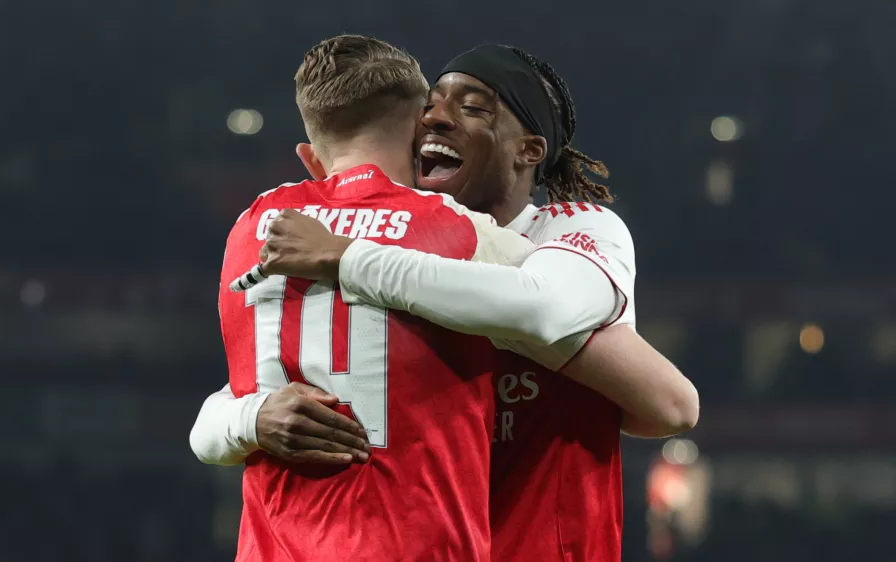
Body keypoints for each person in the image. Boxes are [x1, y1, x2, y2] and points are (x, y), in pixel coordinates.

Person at [204, 44, 699, 562]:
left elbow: (668, 402)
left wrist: (348, 257)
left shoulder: (567, 232)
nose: (436, 120)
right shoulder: (404, 247)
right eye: (430, 107)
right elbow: (237, 398)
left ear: (529, 149)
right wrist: (252, 418)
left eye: (472, 107)